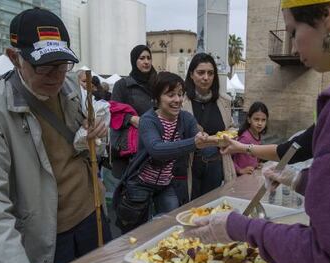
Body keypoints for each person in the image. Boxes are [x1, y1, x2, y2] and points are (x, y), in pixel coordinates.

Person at [186, 1, 330, 263]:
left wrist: (240, 228)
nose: (292, 43)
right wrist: (300, 180)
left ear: (327, 15)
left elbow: (329, 255)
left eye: (293, 30)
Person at [0, 8, 109, 263]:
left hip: (92, 218)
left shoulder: (70, 87)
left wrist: (95, 133)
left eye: (62, 64)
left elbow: (83, 149)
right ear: (14, 57)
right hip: (45, 235)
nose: (56, 76)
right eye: (44, 67)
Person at [113, 72, 219, 233]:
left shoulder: (186, 118)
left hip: (165, 183)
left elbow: (199, 139)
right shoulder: (148, 120)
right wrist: (195, 142)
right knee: (134, 233)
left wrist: (215, 141)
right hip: (140, 183)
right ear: (157, 98)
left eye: (180, 94)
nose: (177, 100)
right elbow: (157, 150)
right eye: (170, 95)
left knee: (172, 226)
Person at [182, 52, 236, 200]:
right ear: (191, 74)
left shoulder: (224, 101)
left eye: (210, 73)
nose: (206, 77)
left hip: (216, 163)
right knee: (190, 206)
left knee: (212, 205)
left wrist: (228, 135)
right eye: (201, 72)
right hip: (191, 164)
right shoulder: (181, 101)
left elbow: (231, 127)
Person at [110, 44, 157, 179]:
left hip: (153, 145)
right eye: (142, 58)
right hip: (129, 150)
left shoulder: (157, 83)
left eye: (149, 58)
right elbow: (113, 111)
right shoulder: (123, 85)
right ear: (134, 60)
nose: (146, 61)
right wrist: (131, 119)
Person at [232, 101, 269, 176]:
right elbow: (230, 158)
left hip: (250, 176)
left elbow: (253, 155)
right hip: (240, 178)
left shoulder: (258, 136)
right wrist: (240, 170)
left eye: (263, 120)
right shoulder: (244, 138)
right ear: (249, 119)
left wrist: (256, 164)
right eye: (256, 119)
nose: (260, 123)